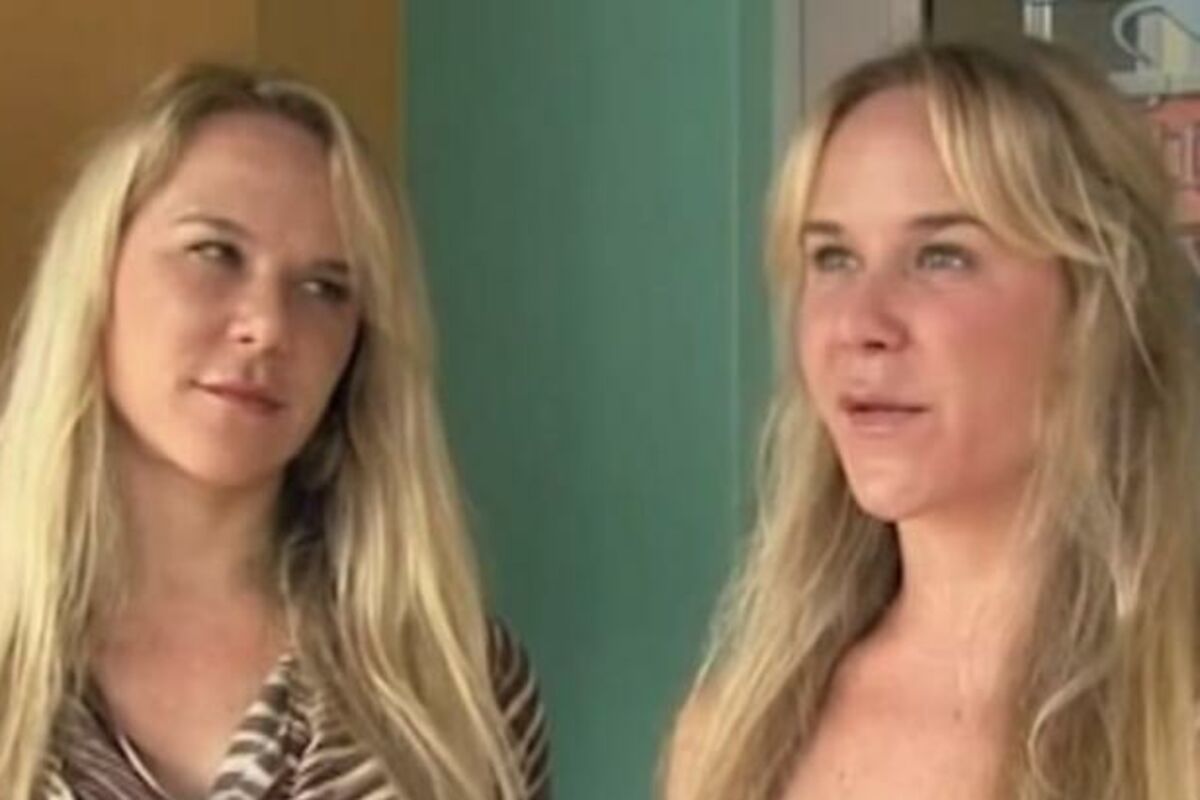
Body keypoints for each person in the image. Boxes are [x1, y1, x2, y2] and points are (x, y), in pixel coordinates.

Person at [666, 37, 1199, 800]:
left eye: (941, 257)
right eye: (833, 259)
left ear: (1095, 305)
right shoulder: (730, 737)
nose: (861, 322)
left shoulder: (1175, 734)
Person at [0, 64, 549, 800]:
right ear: (96, 275)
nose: (267, 326)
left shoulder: (456, 689)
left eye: (324, 288)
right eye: (214, 253)